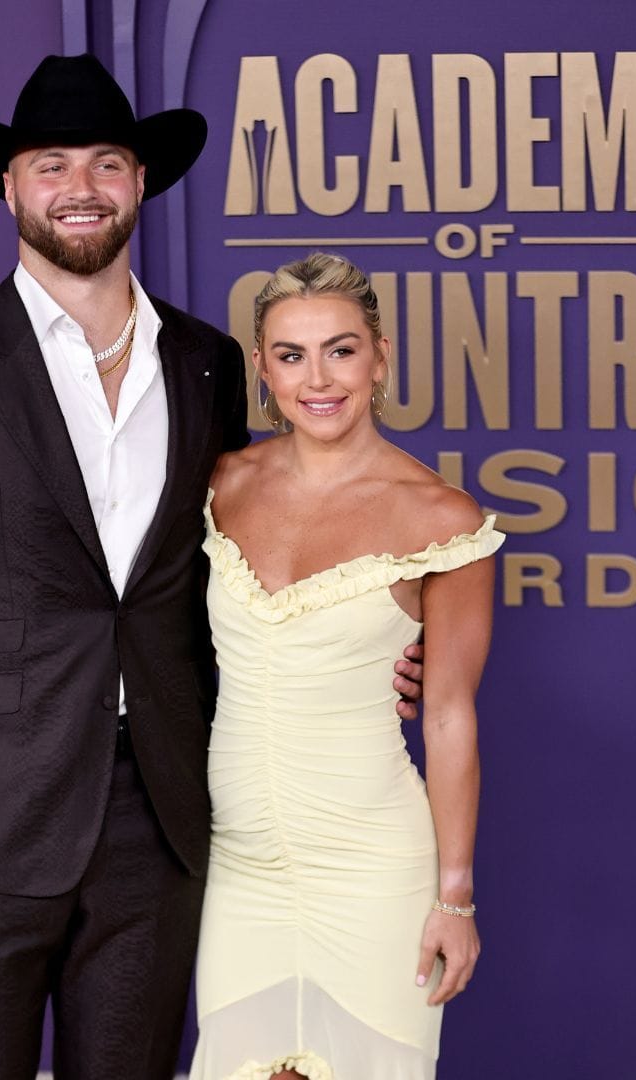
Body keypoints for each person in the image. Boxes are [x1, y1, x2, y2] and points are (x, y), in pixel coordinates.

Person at [0, 56, 422, 1077]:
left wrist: (362, 646)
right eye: (52, 164)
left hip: (161, 813)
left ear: (141, 183)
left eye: (108, 163)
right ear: (10, 186)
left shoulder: (205, 364)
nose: (81, 188)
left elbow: (233, 571)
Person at [188, 252, 499, 1080]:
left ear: (380, 356)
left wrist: (454, 897)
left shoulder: (441, 516)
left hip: (371, 865)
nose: (317, 378)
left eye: (341, 349)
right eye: (291, 355)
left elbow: (449, 714)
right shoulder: (220, 483)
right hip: (239, 866)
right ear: (262, 368)